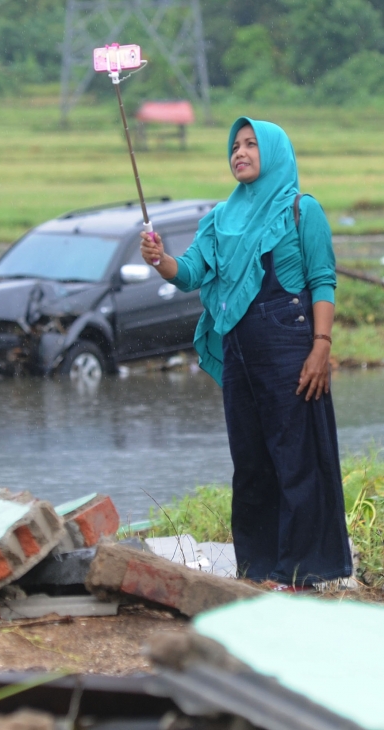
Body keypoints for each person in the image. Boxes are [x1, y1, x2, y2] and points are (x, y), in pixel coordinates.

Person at [140, 117, 352, 589]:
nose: (240, 152)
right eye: (235, 145)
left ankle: (299, 572)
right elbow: (191, 272)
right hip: (239, 349)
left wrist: (321, 346)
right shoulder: (219, 219)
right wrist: (161, 260)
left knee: (295, 456)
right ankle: (256, 569)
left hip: (290, 345)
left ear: (274, 152)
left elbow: (322, 281)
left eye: (252, 144)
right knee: (251, 460)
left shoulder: (301, 210)